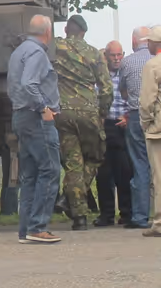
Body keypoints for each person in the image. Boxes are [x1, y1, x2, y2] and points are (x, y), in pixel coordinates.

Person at [50, 15, 112, 230]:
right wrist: (103, 112)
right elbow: (106, 88)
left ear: (67, 29)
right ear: (84, 32)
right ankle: (70, 198)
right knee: (95, 157)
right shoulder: (94, 53)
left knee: (73, 163)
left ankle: (79, 217)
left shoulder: (55, 46)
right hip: (88, 113)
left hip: (63, 113)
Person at [7, 14, 62, 243]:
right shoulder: (38, 52)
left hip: (21, 116)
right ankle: (38, 226)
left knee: (30, 175)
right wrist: (43, 108)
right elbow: (30, 83)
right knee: (50, 169)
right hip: (36, 117)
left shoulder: (19, 51)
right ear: (48, 32)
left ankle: (26, 230)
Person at [119, 25, 157, 229]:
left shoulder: (127, 62)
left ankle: (140, 217)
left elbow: (122, 91)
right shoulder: (155, 62)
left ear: (134, 42)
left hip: (135, 117)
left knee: (140, 165)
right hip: (157, 117)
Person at [94, 40, 134, 226]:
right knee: (103, 173)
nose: (117, 59)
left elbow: (133, 98)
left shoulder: (127, 74)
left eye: (119, 55)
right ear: (107, 56)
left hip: (122, 125)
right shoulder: (100, 77)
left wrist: (127, 118)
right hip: (104, 126)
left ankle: (126, 213)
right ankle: (106, 215)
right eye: (113, 55)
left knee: (124, 172)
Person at [138, 26, 161, 237]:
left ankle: (160, 223)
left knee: (159, 176)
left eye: (150, 42)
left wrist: (146, 123)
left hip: (159, 128)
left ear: (156, 44)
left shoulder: (152, 65)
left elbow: (147, 101)